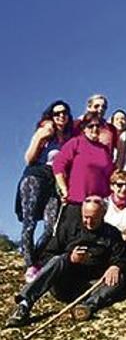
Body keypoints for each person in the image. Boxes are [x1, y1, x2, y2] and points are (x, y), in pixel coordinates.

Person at [5, 198, 126, 327]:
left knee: (117, 278)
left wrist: (116, 266)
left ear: (103, 214)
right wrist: (70, 258)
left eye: (94, 218)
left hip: (91, 287)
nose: (89, 222)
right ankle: (25, 304)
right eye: (86, 217)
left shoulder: (112, 234)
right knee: (59, 260)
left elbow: (122, 257)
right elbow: (46, 256)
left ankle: (86, 307)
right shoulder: (68, 228)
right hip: (64, 284)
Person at [17, 100, 74, 282]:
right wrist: (41, 137)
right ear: (51, 116)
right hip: (36, 176)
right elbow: (29, 158)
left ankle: (36, 256)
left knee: (51, 226)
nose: (61, 116)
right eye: (56, 113)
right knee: (30, 222)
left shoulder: (69, 138)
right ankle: (30, 264)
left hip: (55, 181)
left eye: (64, 112)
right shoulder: (45, 132)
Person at [53, 111, 115, 207]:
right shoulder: (76, 142)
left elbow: (110, 175)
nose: (95, 129)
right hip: (76, 200)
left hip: (98, 203)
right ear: (84, 128)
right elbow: (58, 164)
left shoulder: (104, 149)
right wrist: (63, 188)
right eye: (91, 126)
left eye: (98, 126)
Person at [74, 93, 125, 167]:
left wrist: (117, 167)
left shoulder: (111, 129)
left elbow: (120, 149)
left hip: (104, 170)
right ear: (89, 107)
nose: (100, 109)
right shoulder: (77, 125)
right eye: (96, 106)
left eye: (103, 107)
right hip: (81, 168)